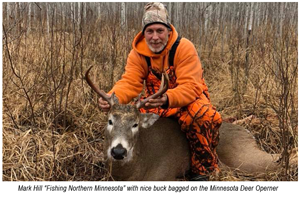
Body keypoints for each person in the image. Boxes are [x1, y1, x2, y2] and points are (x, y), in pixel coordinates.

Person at [98, 2, 222, 181]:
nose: (155, 37)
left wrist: (168, 98)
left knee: (201, 117)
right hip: (157, 104)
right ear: (143, 33)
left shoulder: (183, 48)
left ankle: (202, 169)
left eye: (159, 31)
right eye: (150, 31)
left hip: (187, 102)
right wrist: (112, 97)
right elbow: (130, 82)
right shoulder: (138, 54)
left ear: (168, 31)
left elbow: (192, 87)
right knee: (128, 122)